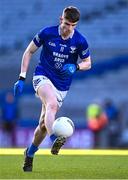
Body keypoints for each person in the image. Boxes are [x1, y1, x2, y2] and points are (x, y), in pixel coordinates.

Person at [14, 6, 91, 172]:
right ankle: (55, 137)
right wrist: (21, 77)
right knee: (52, 104)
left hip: (62, 85)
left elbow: (88, 63)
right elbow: (28, 52)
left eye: (72, 25)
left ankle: (30, 153)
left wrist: (76, 67)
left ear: (75, 25)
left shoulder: (80, 41)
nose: (67, 28)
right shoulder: (47, 33)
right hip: (43, 76)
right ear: (60, 19)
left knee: (42, 125)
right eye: (66, 23)